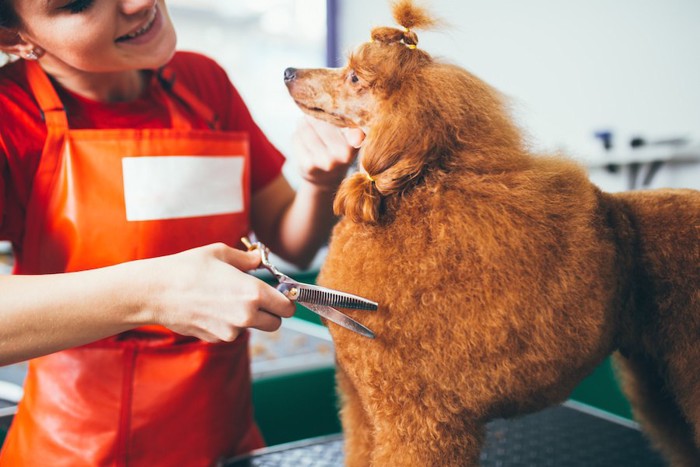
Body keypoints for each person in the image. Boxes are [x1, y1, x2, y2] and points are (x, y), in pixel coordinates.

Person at [0, 0, 364, 464]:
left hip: (224, 441)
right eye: (79, 3)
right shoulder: (10, 117)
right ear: (15, 38)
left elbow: (291, 244)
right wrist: (155, 293)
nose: (138, 2)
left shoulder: (203, 84)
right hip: (81, 451)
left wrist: (319, 181)